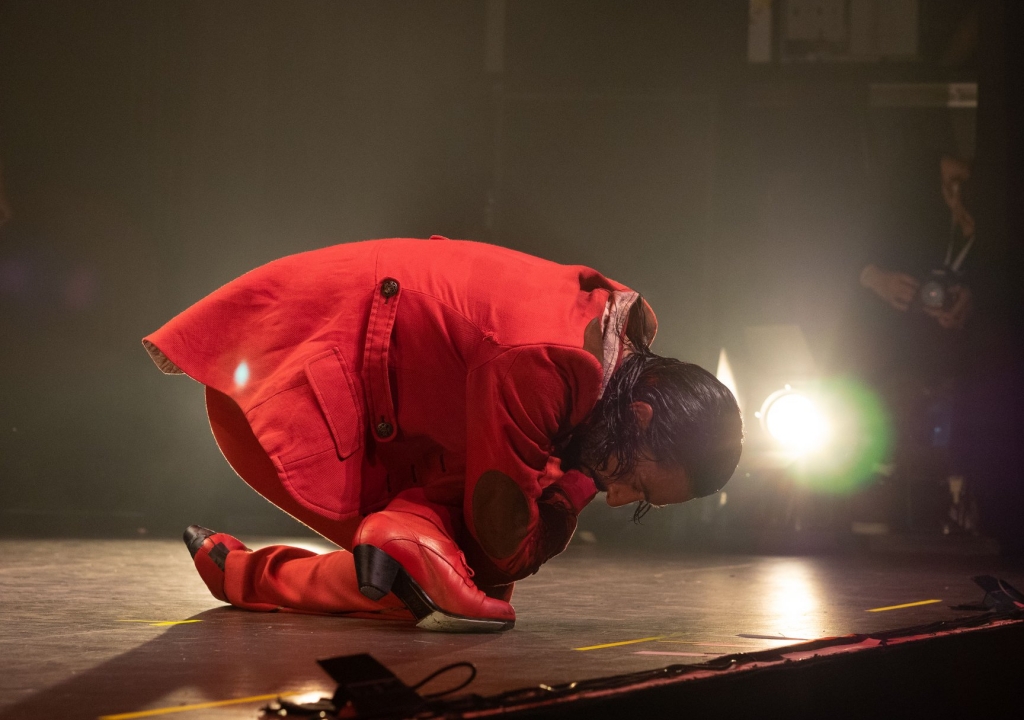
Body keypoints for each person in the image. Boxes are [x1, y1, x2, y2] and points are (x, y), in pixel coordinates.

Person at [144, 237, 742, 632]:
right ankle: (269, 571)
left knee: (436, 580)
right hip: (287, 376)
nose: (617, 497)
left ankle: (269, 569)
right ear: (639, 415)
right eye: (635, 482)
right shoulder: (551, 364)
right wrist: (570, 493)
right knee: (460, 578)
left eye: (636, 502)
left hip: (343, 390)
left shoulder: (609, 352)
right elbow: (500, 543)